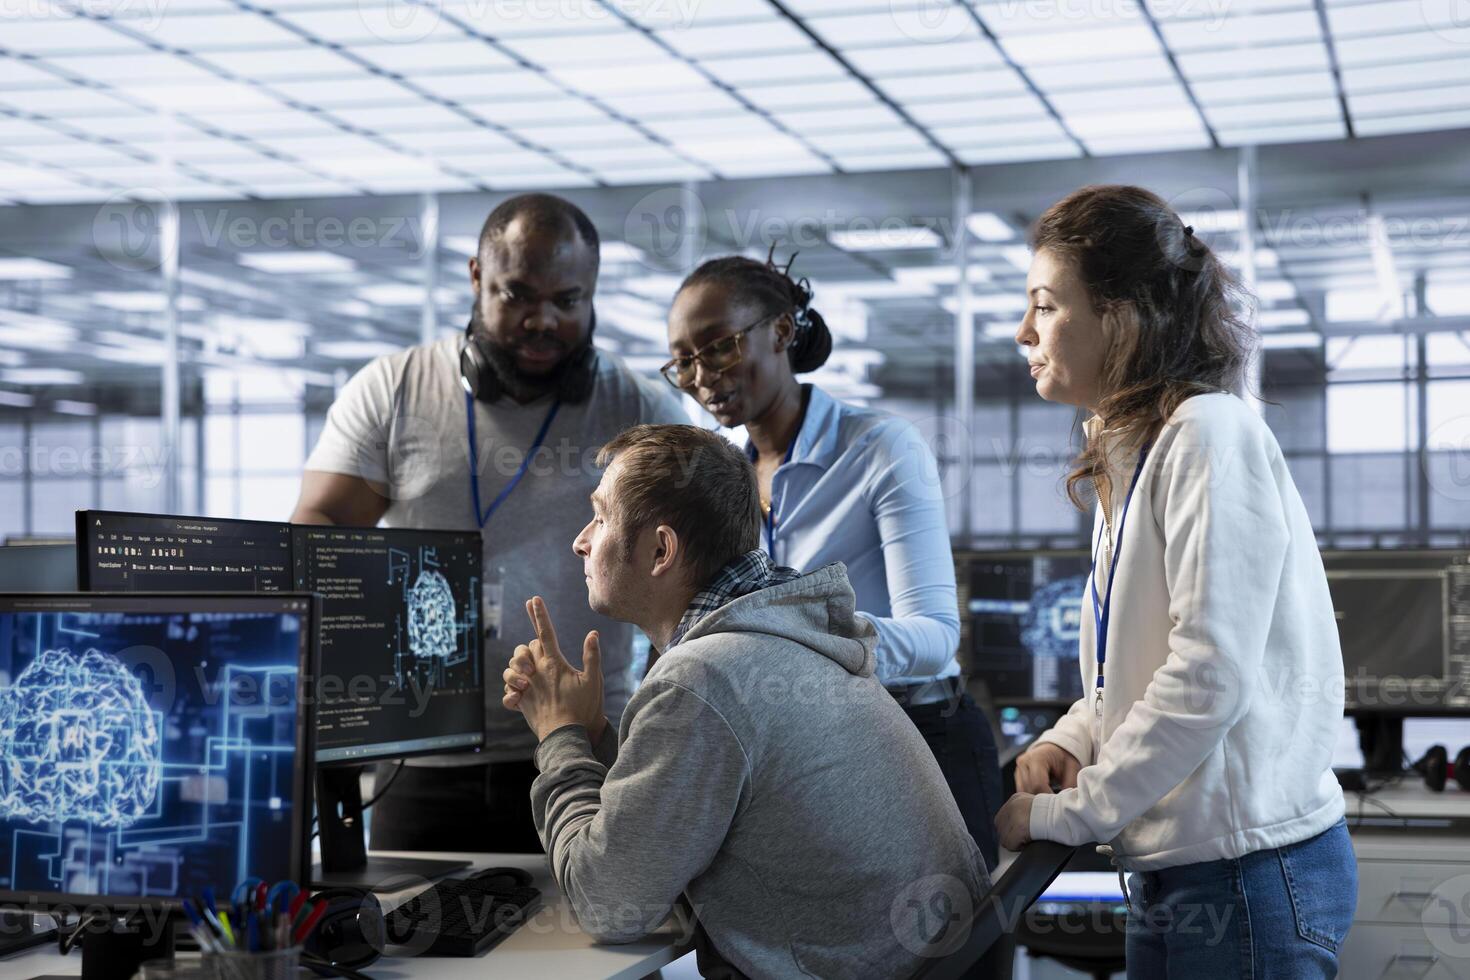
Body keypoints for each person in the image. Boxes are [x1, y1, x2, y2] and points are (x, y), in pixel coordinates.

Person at [996, 184, 1354, 977]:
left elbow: (1207, 675)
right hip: (1182, 870)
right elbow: (1141, 665)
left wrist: (1069, 813)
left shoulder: (1207, 436)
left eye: (1047, 306)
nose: (1024, 332)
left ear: (1120, 317)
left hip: (1247, 875)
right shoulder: (1135, 450)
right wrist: (1072, 738)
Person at [501, 423, 988, 978]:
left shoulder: (703, 679)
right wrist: (592, 735)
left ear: (660, 549)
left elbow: (610, 903)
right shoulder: (788, 637)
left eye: (601, 516)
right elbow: (675, 824)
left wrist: (558, 737)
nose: (581, 540)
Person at [291, 192, 684, 853]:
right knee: (417, 946)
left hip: (586, 749)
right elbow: (321, 527)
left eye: (568, 301)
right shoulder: (395, 391)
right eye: (518, 295)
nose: (544, 320)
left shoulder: (638, 408)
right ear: (476, 275)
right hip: (422, 754)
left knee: (597, 946)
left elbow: (682, 572)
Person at [660, 255, 1004, 862]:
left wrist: (807, 647)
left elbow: (935, 638)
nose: (700, 376)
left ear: (782, 332)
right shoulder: (722, 479)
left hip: (923, 735)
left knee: (946, 950)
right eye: (683, 361)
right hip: (812, 747)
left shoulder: (879, 448)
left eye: (717, 347)